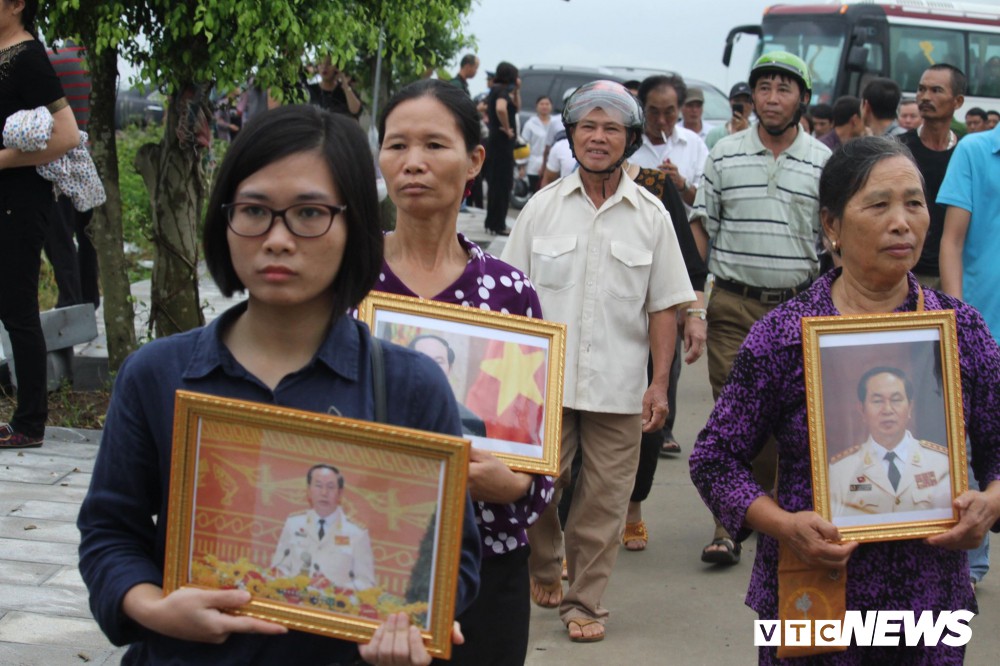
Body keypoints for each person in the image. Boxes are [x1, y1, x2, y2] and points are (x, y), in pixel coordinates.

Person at [77, 105, 481, 665]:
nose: (278, 239)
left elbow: (450, 561)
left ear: (355, 225)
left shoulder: (410, 385)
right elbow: (109, 530)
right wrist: (150, 607)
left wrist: (403, 625)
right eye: (254, 211)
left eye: (310, 213)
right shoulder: (158, 374)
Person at [690, 135, 1000, 665]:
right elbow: (715, 459)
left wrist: (991, 503)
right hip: (816, 590)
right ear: (831, 225)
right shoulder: (784, 335)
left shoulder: (960, 331)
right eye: (879, 205)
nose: (902, 222)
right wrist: (785, 525)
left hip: (930, 599)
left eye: (915, 203)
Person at [502, 81, 695, 643]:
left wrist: (660, 385)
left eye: (611, 128)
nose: (598, 137)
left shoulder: (652, 215)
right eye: (588, 126)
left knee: (606, 501)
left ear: (629, 139)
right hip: (544, 381)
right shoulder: (541, 208)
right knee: (536, 484)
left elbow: (664, 308)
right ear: (572, 134)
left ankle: (584, 600)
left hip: (619, 384)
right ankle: (545, 563)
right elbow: (512, 298)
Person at [376, 79, 553, 666]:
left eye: (434, 145)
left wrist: (518, 485)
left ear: (475, 159)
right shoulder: (346, 282)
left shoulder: (509, 293)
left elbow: (541, 448)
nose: (414, 163)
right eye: (396, 145)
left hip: (490, 557)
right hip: (369, 552)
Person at [690, 51, 831, 566]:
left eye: (783, 89)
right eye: (764, 88)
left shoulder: (823, 161)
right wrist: (696, 303)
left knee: (777, 423)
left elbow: (831, 237)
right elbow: (704, 226)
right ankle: (726, 525)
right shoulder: (724, 153)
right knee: (735, 411)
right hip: (732, 304)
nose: (772, 98)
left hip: (795, 310)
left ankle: (765, 514)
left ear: (803, 99)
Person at [0, 0, 81, 449]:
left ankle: (30, 422)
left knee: (18, 309)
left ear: (17, 5)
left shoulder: (29, 56)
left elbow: (66, 134)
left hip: (20, 203)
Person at [938, 118, 1000, 589]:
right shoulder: (977, 151)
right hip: (983, 328)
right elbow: (952, 240)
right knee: (973, 447)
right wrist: (956, 318)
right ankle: (971, 563)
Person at [829, 367, 952, 518]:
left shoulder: (941, 463)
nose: (887, 410)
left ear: (910, 408)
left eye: (896, 400)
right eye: (877, 401)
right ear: (862, 410)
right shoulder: (841, 470)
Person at [900, 64, 966, 289]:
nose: (925, 97)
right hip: (907, 271)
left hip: (956, 271)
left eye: (936, 90)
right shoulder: (898, 149)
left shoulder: (967, 152)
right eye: (921, 89)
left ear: (957, 101)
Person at [272, 464, 376, 589]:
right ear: (309, 490)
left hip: (332, 605)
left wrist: (335, 589)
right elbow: (279, 566)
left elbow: (366, 582)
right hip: (295, 601)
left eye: (330, 487)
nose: (324, 493)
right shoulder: (294, 523)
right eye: (318, 485)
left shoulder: (356, 533)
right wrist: (293, 584)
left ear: (340, 493)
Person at [630, 74, 708, 210]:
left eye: (668, 112)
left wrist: (682, 185)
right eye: (654, 112)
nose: (661, 120)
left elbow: (707, 200)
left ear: (679, 109)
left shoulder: (694, 144)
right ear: (643, 109)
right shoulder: (628, 145)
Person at [483, 61, 520, 235]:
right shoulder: (502, 92)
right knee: (502, 184)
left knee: (496, 184)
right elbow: (501, 109)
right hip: (502, 145)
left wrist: (517, 91)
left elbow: (516, 108)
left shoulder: (497, 90)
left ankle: (493, 222)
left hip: (496, 145)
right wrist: (506, 128)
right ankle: (498, 224)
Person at [705, 81, 753, 150]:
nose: (742, 104)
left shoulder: (759, 133)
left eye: (746, 101)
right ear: (730, 103)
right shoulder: (714, 134)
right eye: (737, 101)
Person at [521, 95, 552, 192]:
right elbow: (523, 145)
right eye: (542, 104)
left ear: (551, 106)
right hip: (533, 165)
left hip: (551, 165)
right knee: (535, 193)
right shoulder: (530, 124)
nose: (544, 106)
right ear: (537, 106)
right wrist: (522, 166)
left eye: (547, 104)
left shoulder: (556, 123)